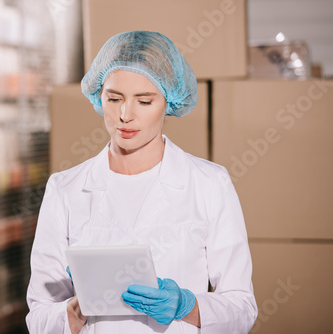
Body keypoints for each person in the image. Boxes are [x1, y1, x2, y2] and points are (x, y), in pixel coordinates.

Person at [26, 30, 257, 333]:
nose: (125, 115)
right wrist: (78, 308)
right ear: (99, 97)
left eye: (144, 101)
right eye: (113, 98)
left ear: (168, 102)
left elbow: (242, 308)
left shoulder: (209, 184)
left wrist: (187, 306)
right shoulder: (65, 189)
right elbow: (39, 317)